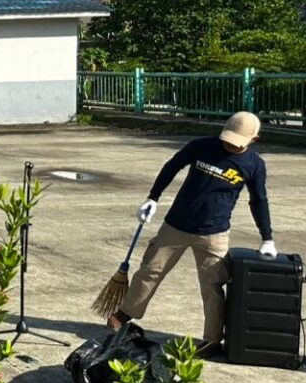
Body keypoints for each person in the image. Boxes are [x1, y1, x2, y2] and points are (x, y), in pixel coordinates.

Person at [108, 112, 274, 357]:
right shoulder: (202, 146)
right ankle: (124, 315)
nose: (229, 145)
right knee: (150, 270)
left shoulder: (254, 165)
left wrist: (267, 237)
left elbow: (258, 200)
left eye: (236, 142)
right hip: (176, 225)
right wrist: (153, 198)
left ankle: (212, 340)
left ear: (254, 140)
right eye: (227, 138)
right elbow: (172, 166)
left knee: (212, 287)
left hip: (215, 233)